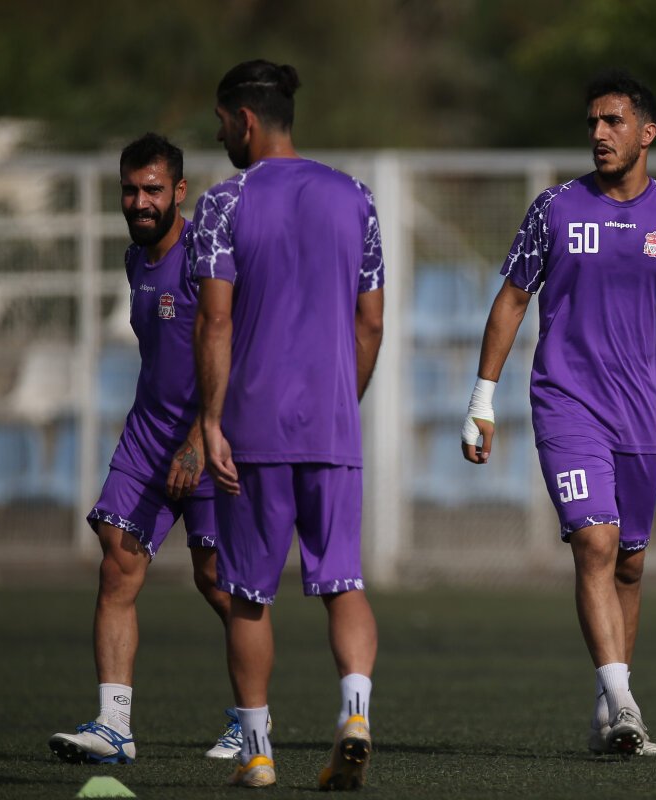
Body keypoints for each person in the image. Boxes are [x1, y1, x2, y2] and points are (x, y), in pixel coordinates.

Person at [461, 70, 656, 757]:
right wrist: (482, 399)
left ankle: (608, 712)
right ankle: (626, 703)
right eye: (593, 123)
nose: (599, 134)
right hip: (565, 402)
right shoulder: (554, 208)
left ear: (647, 133)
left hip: (636, 412)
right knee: (596, 542)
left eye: (613, 122)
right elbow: (512, 300)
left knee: (630, 563)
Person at [192, 59, 385, 790]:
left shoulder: (223, 201)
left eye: (221, 124)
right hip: (331, 426)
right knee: (344, 582)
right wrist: (341, 403)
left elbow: (215, 320)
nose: (220, 137)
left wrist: (211, 421)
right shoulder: (356, 196)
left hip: (254, 429)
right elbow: (371, 322)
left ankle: (258, 753)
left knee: (248, 594)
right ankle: (356, 713)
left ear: (244, 119)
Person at [48, 133, 251, 765]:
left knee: (216, 579)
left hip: (213, 435)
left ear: (179, 191)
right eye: (130, 190)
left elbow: (237, 349)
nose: (140, 202)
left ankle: (253, 716)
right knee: (116, 564)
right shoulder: (135, 259)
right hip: (147, 436)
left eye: (153, 190)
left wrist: (198, 437)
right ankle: (114, 726)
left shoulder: (205, 256)